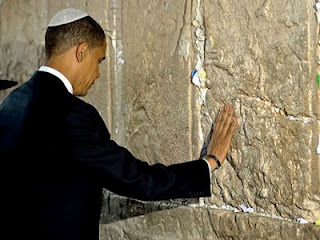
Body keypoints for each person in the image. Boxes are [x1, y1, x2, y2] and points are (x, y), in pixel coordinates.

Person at [0, 8, 238, 240]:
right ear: (81, 52)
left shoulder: (11, 103)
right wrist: (209, 163)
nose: (98, 74)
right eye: (99, 60)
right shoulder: (74, 114)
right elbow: (136, 179)